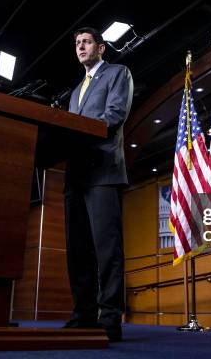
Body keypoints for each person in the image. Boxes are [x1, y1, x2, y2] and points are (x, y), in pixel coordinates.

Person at [63, 27, 133, 342]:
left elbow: (115, 114)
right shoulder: (75, 91)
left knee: (107, 249)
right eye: (77, 43)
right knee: (77, 251)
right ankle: (83, 315)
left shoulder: (118, 73)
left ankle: (109, 319)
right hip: (76, 177)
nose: (81, 46)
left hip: (103, 171)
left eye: (87, 42)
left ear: (100, 48)